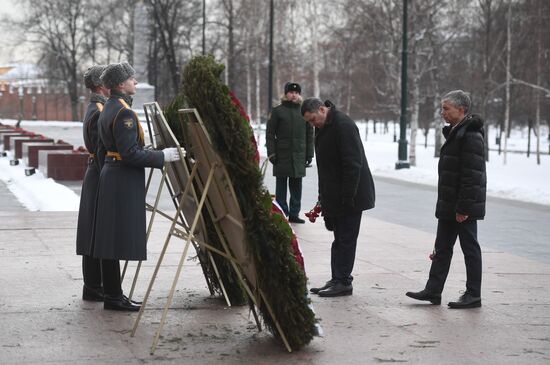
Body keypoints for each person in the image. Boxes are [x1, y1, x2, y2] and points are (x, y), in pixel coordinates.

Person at [92, 62, 181, 311]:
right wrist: (163, 157)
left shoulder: (109, 108)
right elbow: (129, 154)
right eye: (132, 79)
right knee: (115, 239)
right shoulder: (124, 113)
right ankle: (113, 296)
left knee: (110, 239)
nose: (136, 83)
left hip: (112, 174)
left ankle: (113, 294)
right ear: (120, 84)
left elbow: (107, 149)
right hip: (122, 177)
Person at [406, 90, 486, 309]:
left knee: (470, 248)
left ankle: (473, 294)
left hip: (463, 206)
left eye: (446, 108)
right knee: (442, 248)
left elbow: (472, 176)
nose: (443, 113)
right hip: (450, 204)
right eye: (442, 108)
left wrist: (464, 208)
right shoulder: (455, 132)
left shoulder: (470, 135)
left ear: (461, 110)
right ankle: (433, 290)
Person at [301, 98, 375, 297]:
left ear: (322, 110)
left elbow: (353, 164)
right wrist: (322, 197)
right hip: (336, 194)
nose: (312, 124)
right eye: (309, 122)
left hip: (351, 195)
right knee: (339, 239)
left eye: (313, 119)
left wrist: (348, 197)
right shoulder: (323, 127)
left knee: (346, 239)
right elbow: (325, 168)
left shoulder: (343, 125)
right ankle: (337, 278)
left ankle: (343, 281)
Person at [76, 65, 109, 302]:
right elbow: (101, 150)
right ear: (99, 86)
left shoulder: (97, 107)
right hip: (99, 175)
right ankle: (94, 286)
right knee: (96, 232)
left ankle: (94, 285)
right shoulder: (98, 110)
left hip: (95, 174)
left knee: (93, 231)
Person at [266, 82, 314, 223]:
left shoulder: (304, 112)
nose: (294, 95)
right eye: (291, 92)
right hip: (282, 155)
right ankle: (282, 213)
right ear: (286, 93)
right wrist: (271, 153)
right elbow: (270, 134)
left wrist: (309, 154)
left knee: (296, 187)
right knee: (281, 187)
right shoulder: (278, 111)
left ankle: (294, 214)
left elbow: (309, 134)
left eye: (296, 92)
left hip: (299, 154)